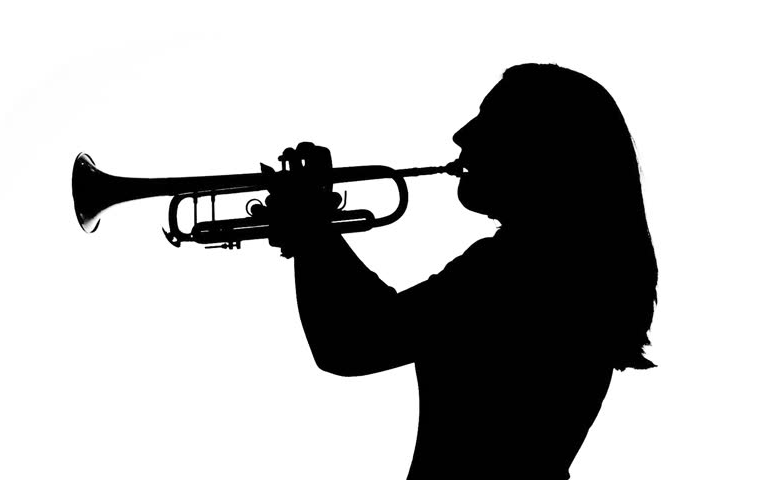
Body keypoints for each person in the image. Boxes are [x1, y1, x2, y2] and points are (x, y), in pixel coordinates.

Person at [265, 63, 658, 479]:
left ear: (540, 150)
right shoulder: (561, 265)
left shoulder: (514, 270)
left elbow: (351, 344)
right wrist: (316, 234)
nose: (463, 135)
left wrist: (312, 233)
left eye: (492, 120)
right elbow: (381, 324)